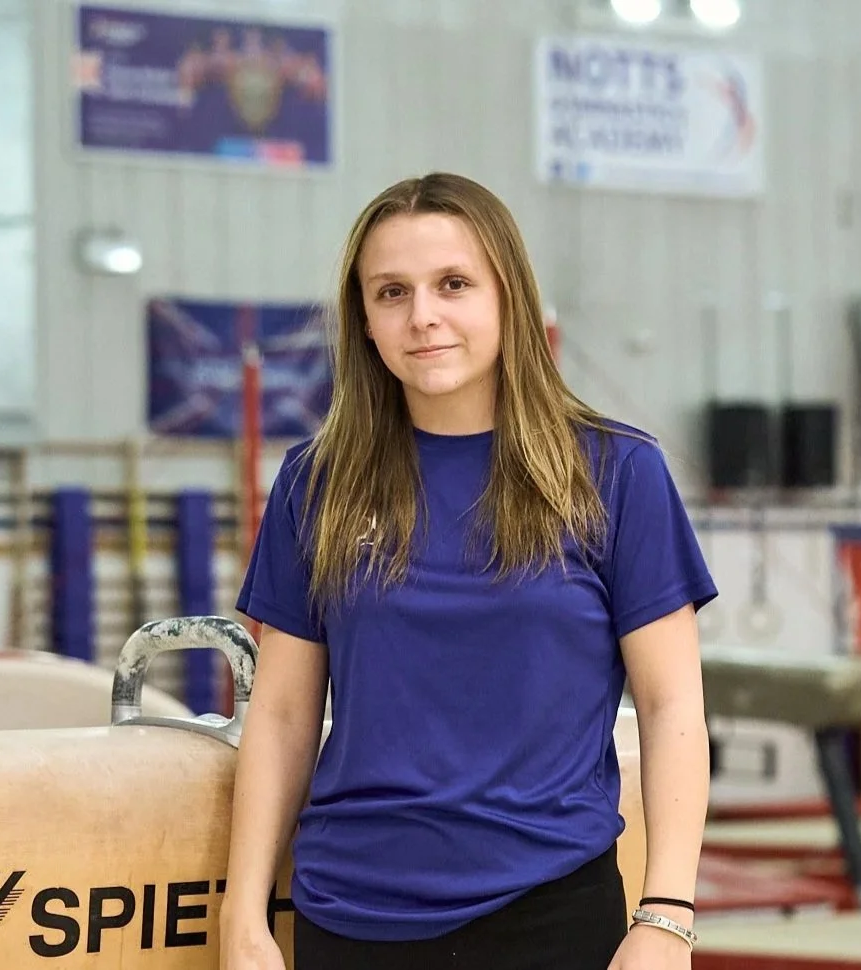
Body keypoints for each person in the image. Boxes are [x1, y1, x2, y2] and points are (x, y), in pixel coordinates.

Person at [221, 172, 716, 970]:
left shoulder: (616, 472)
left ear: (508, 298)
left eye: (453, 284)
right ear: (366, 323)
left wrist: (667, 914)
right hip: (352, 912)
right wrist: (242, 915)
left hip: (548, 907)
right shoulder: (316, 483)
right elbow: (280, 715)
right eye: (391, 292)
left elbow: (671, 708)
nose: (423, 316)